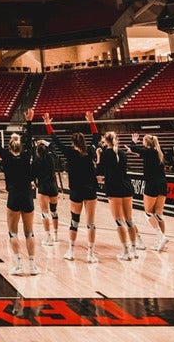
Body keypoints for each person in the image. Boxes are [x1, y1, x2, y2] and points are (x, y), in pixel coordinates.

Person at [0, 111, 40, 275]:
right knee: (29, 232)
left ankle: (18, 264)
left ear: (10, 146)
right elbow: (29, 140)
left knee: (13, 232)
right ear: (20, 146)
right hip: (27, 196)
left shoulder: (6, 156)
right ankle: (32, 265)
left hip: (13, 196)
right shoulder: (26, 156)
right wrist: (29, 122)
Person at [61, 112, 101, 262]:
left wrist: (48, 125)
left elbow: (55, 141)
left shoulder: (70, 153)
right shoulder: (90, 151)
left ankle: (71, 251)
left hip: (76, 191)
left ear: (73, 142)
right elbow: (96, 137)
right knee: (91, 223)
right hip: (90, 191)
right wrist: (91, 122)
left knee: (74, 221)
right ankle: (90, 254)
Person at [97, 130, 139, 261]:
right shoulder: (122, 153)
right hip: (126, 186)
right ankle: (134, 250)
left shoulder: (105, 154)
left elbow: (100, 172)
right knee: (129, 220)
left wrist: (98, 157)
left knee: (119, 220)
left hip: (114, 187)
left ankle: (126, 251)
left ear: (105, 141)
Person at [129, 133, 169, 252]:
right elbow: (141, 154)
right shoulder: (159, 152)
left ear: (146, 143)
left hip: (152, 183)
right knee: (159, 214)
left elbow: (134, 148)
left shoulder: (148, 152)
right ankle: (162, 242)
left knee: (148, 213)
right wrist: (135, 151)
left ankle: (161, 237)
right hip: (163, 184)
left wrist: (133, 141)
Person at [33, 114, 62, 246]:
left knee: (44, 213)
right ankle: (56, 234)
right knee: (54, 211)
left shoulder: (36, 161)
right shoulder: (52, 158)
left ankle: (48, 237)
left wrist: (33, 182)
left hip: (43, 188)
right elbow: (53, 145)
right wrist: (44, 141)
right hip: (53, 186)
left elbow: (32, 174)